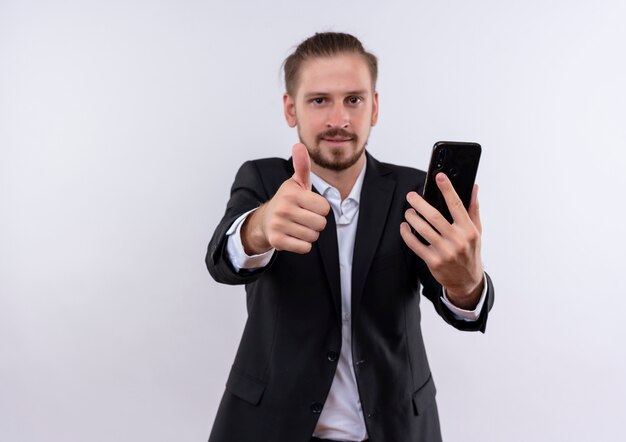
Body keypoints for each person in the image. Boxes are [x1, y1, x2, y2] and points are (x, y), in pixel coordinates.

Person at [206, 32, 494, 442]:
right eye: (319, 100)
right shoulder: (263, 180)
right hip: (270, 427)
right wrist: (260, 227)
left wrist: (466, 284)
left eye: (354, 100)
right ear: (291, 109)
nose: (338, 120)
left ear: (374, 107)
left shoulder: (414, 191)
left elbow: (463, 306)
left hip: (395, 428)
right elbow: (222, 259)